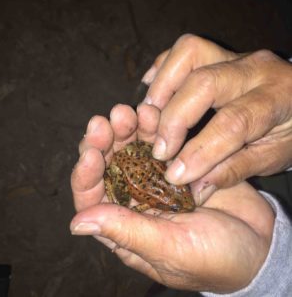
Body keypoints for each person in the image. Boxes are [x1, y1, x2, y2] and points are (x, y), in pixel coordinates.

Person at [70, 35, 292, 295]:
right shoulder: (156, 199)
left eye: (183, 196)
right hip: (130, 166)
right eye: (180, 199)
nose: (187, 200)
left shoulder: (163, 198)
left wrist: (266, 269)